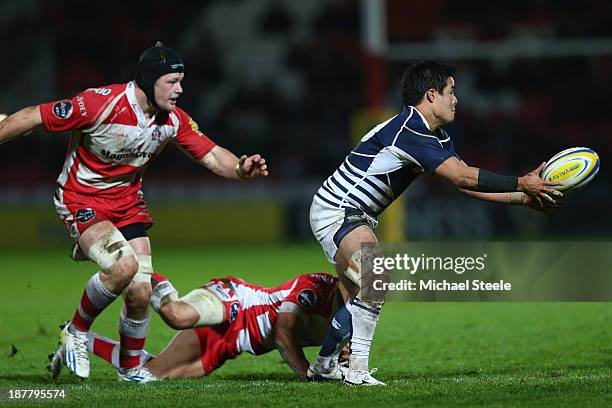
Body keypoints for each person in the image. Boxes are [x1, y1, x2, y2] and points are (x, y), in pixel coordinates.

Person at [0, 42, 268, 383]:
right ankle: (76, 331)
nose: (180, 89)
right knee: (123, 266)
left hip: (128, 206)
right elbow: (31, 117)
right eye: (172, 81)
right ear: (149, 79)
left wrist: (242, 168)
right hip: (82, 199)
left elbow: (214, 157)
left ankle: (129, 371)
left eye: (181, 81)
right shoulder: (100, 103)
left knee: (140, 293)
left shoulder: (173, 120)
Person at [307, 60, 562, 386]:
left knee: (357, 295)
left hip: (346, 211)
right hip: (337, 209)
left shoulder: (435, 137)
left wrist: (521, 199)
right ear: (431, 95)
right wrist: (521, 182)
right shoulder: (408, 129)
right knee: (377, 276)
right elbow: (463, 175)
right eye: (451, 92)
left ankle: (325, 365)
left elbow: (466, 185)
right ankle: (356, 371)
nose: (456, 99)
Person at [51, 271, 350, 380]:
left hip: (236, 343)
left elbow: (343, 353)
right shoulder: (316, 287)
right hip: (237, 304)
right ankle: (137, 272)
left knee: (150, 376)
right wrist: (308, 375)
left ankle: (78, 338)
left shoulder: (354, 315)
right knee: (176, 314)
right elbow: (284, 334)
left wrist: (344, 360)